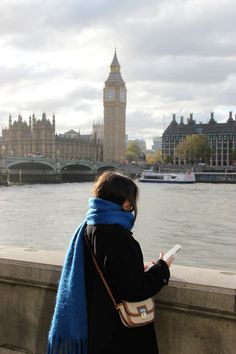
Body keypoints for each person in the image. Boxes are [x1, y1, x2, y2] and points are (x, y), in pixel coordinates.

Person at [47, 170, 174, 354]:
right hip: (119, 335)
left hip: (94, 330)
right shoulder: (120, 238)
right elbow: (135, 289)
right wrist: (162, 268)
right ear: (126, 203)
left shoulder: (87, 229)